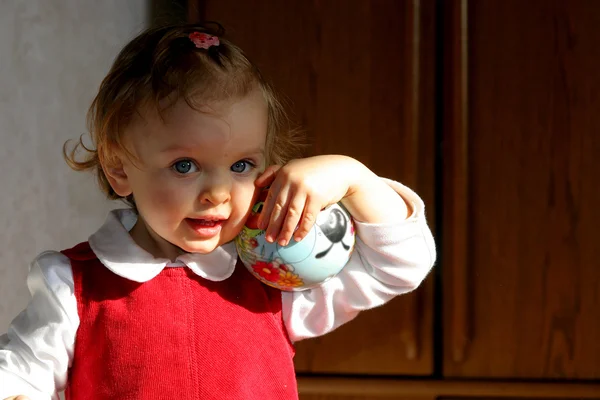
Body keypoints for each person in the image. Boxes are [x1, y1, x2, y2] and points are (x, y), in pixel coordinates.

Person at [0, 23, 436, 400]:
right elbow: (19, 371)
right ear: (118, 168)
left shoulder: (275, 274)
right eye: (184, 166)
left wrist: (355, 177)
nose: (218, 193)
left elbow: (401, 266)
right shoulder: (74, 286)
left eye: (242, 165)